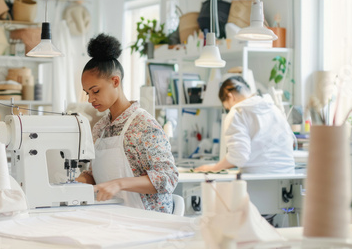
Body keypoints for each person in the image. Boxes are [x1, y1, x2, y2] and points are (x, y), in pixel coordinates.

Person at [76, 33, 179, 213]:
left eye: (95, 91)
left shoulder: (144, 125)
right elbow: (96, 176)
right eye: (87, 93)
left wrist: (119, 184)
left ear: (115, 81)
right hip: (114, 217)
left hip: (148, 221)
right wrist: (78, 181)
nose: (90, 99)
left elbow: (168, 177)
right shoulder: (100, 128)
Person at [195, 76, 295, 174]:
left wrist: (214, 168)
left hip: (260, 180)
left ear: (230, 97)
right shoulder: (274, 108)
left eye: (227, 108)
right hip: (287, 177)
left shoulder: (237, 112)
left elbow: (238, 156)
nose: (229, 110)